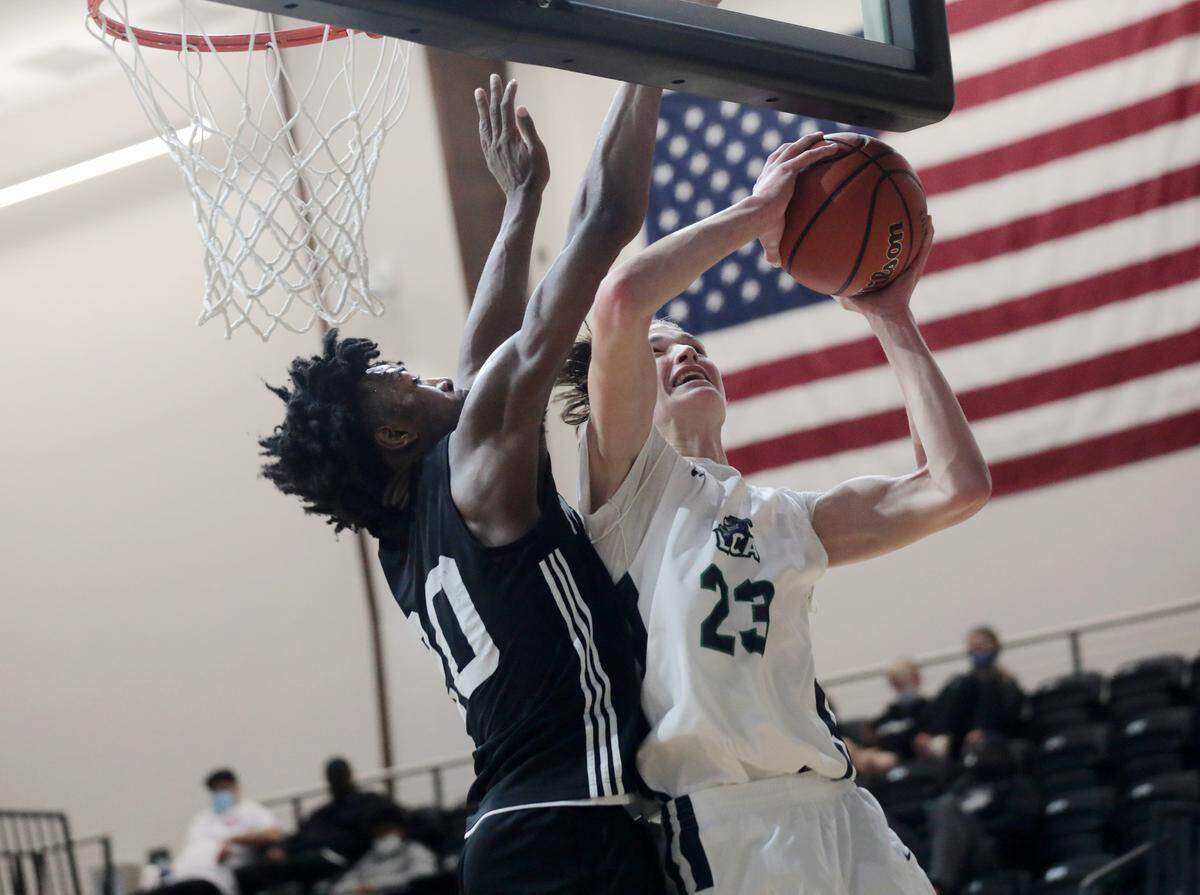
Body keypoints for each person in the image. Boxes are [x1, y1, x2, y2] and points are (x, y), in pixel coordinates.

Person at [260, 75, 667, 894]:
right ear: (397, 434)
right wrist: (654, 56)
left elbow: (479, 366)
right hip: (576, 817)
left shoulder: (405, 534)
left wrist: (522, 197)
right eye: (398, 379)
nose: (421, 372)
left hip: (513, 828)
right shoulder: (475, 465)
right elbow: (608, 224)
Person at [557, 132, 992, 893]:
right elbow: (623, 300)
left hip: (841, 806)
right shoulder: (626, 492)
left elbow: (955, 485)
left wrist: (889, 315)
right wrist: (758, 213)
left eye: (693, 344)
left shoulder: (785, 518)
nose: (684, 354)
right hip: (728, 821)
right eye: (660, 351)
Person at [236, 758, 398, 894]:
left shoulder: (370, 802)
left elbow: (389, 823)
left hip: (337, 858)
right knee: (249, 872)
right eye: (333, 776)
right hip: (306, 854)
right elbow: (299, 836)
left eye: (339, 775)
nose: (336, 781)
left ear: (349, 775)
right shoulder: (322, 813)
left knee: (285, 868)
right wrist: (283, 849)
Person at [924, 734, 1039, 895]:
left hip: (994, 852)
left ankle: (937, 887)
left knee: (946, 807)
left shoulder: (1016, 786)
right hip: (956, 850)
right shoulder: (963, 785)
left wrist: (979, 826)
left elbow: (1022, 824)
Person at [151, 769, 282, 895]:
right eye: (215, 790)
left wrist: (233, 840)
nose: (219, 793)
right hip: (183, 873)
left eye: (223, 788)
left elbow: (273, 835)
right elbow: (191, 847)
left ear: (236, 787)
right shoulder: (203, 818)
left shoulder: (252, 811)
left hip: (216, 875)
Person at [921, 626, 1026, 761]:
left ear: (995, 647)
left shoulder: (1006, 683)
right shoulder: (960, 684)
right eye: (973, 647)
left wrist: (985, 732)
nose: (977, 651)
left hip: (998, 741)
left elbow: (1012, 718)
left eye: (981, 646)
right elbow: (944, 714)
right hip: (961, 742)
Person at [331, 804, 438, 895]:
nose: (383, 836)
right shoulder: (369, 858)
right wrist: (355, 889)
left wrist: (374, 886)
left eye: (387, 830)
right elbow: (342, 885)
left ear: (401, 831)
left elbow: (422, 876)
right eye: (379, 833)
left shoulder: (414, 850)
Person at [875, 658, 933, 760]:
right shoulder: (891, 711)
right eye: (896, 684)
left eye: (903, 683)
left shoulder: (929, 708)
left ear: (917, 680)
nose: (900, 688)